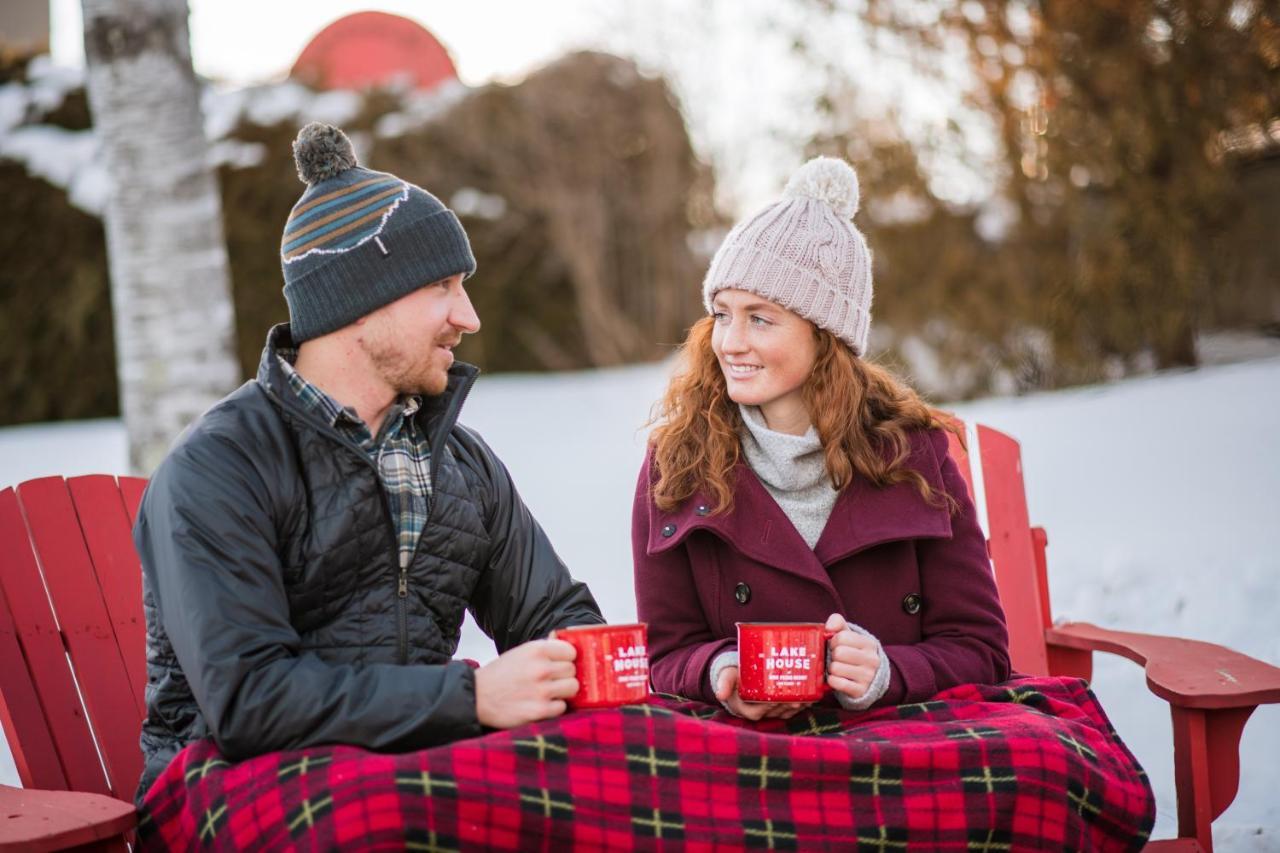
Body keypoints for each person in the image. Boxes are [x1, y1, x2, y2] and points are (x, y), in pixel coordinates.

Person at [133, 123, 602, 800]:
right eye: (442, 285)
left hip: (408, 770)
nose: (467, 315)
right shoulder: (219, 468)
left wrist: (636, 674)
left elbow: (556, 615)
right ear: (359, 301)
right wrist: (470, 696)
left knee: (646, 763)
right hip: (225, 783)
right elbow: (250, 700)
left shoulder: (460, 464)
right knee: (391, 812)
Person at [633, 156, 1010, 719]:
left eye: (760, 318)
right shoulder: (677, 463)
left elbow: (980, 650)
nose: (730, 342)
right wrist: (719, 672)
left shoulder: (916, 455)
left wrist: (888, 672)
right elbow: (663, 652)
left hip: (892, 743)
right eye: (722, 314)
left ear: (825, 335)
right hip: (747, 751)